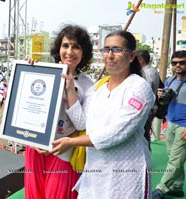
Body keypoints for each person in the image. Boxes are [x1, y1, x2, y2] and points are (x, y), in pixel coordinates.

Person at [51, 31, 155, 199]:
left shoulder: (139, 88)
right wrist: (70, 86)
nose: (110, 55)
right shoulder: (98, 87)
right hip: (95, 170)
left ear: (131, 55)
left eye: (117, 49)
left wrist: (72, 142)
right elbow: (81, 123)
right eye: (106, 49)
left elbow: (116, 133)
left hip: (126, 172)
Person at [25, 25, 94, 199]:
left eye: (76, 46)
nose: (70, 51)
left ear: (83, 52)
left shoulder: (88, 86)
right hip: (37, 147)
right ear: (59, 49)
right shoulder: (44, 71)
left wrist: (70, 89)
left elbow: (82, 124)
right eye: (65, 45)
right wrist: (28, 72)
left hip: (63, 150)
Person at [152, 50, 186, 199]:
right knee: (173, 157)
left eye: (182, 62)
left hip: (183, 126)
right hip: (171, 122)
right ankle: (177, 187)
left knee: (175, 160)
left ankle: (161, 188)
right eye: (174, 63)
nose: (178, 65)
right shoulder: (169, 80)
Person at [137, 50, 162, 141]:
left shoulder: (146, 72)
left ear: (141, 60)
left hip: (147, 107)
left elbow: (145, 90)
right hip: (151, 106)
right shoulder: (152, 70)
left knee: (143, 134)